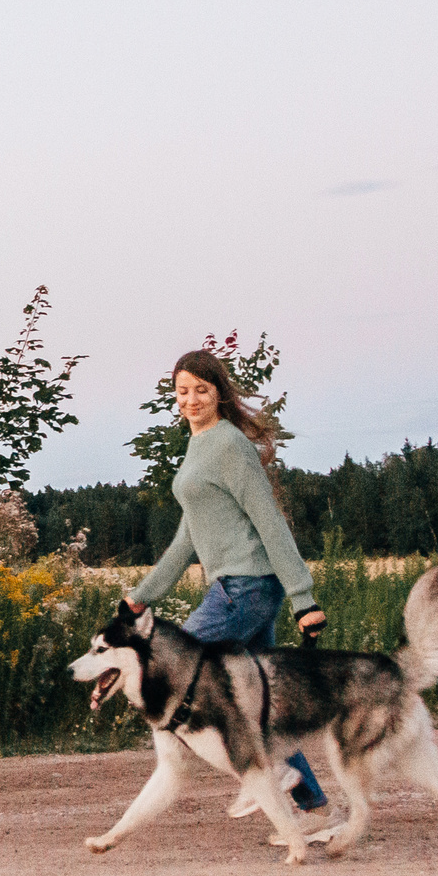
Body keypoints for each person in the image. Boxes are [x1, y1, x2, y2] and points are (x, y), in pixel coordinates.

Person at [122, 349, 332, 818]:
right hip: (240, 589)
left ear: (219, 392)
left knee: (177, 671)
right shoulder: (199, 446)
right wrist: (142, 596)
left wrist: (304, 598)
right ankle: (303, 802)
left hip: (246, 588)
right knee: (256, 700)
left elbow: (269, 520)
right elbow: (187, 538)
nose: (191, 400)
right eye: (182, 391)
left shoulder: (229, 445)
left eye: (201, 389)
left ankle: (273, 775)